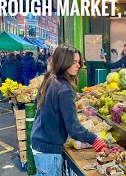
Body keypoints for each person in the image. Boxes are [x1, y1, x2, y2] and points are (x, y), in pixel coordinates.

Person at [31, 44, 107, 175]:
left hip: (39, 141)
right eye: (74, 62)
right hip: (49, 150)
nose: (78, 65)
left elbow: (36, 103)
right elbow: (74, 128)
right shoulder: (64, 88)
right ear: (63, 62)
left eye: (78, 62)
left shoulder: (50, 78)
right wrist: (96, 141)